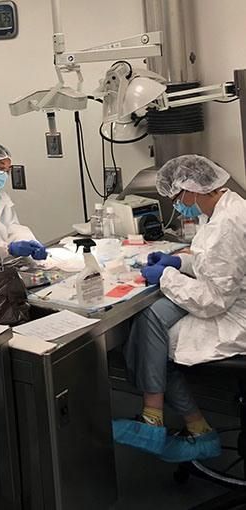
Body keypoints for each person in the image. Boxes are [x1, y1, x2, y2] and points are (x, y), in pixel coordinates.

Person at [113, 154, 246, 463]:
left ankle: (156, 419)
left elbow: (214, 299)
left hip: (234, 318)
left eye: (176, 196)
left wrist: (167, 276)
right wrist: (178, 261)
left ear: (192, 188)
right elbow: (212, 265)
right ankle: (188, 425)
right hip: (229, 302)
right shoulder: (226, 207)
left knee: (154, 342)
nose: (176, 205)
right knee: (151, 318)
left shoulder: (227, 224)